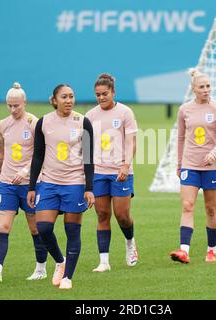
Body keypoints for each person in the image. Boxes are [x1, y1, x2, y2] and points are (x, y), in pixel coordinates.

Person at [27, 84, 95, 290]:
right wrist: (32, 186)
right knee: (44, 227)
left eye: (71, 96)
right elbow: (37, 156)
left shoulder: (83, 122)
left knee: (72, 231)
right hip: (48, 183)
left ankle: (67, 277)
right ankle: (59, 260)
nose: (69, 100)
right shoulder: (43, 122)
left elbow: (89, 158)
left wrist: (89, 188)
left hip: (74, 183)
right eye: (64, 97)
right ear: (54, 100)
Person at [0, 82, 48, 283]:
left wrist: (25, 171)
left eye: (16, 106)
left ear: (25, 103)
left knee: (35, 228)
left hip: (30, 185)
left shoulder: (33, 123)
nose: (13, 110)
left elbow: (41, 153)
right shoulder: (2, 124)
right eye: (9, 106)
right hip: (7, 184)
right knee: (2, 227)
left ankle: (41, 269)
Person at [169, 69, 216, 264]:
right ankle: (184, 250)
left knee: (211, 209)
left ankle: (211, 250)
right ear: (193, 89)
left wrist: (214, 153)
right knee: (187, 206)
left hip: (211, 167)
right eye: (201, 87)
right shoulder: (184, 109)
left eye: (208, 86)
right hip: (189, 165)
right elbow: (180, 138)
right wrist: (179, 163)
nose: (206, 90)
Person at [85, 73, 138, 272]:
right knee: (102, 214)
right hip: (98, 172)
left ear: (113, 92)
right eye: (97, 95)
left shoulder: (125, 113)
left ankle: (130, 242)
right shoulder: (90, 115)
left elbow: (131, 142)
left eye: (105, 94)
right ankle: (104, 261)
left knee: (122, 215)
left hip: (120, 172)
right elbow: (86, 148)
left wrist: (125, 165)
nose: (101, 98)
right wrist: (86, 175)